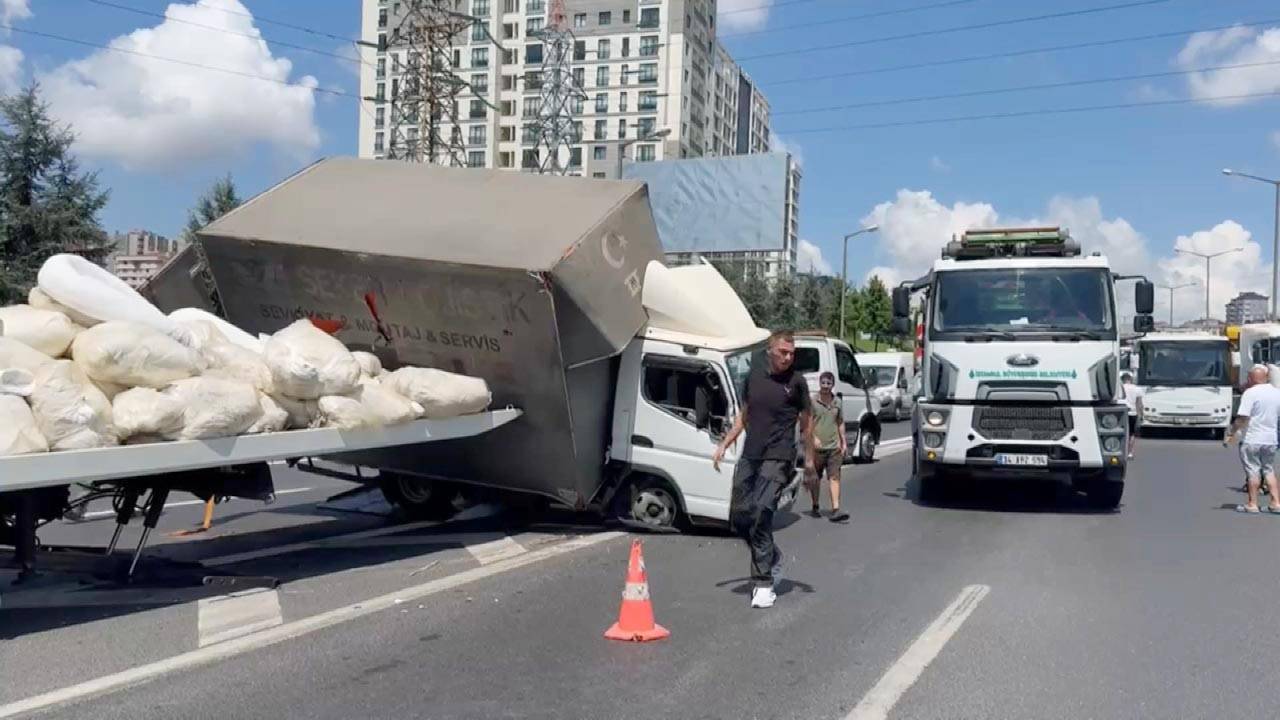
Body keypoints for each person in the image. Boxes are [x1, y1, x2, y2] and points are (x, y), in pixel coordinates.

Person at [713, 330, 812, 610]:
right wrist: (725, 443)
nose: (788, 357)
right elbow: (745, 415)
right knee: (739, 516)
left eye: (792, 353)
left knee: (760, 510)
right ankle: (773, 557)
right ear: (770, 351)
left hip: (779, 456)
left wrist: (810, 462)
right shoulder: (753, 378)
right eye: (783, 352)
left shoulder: (797, 383)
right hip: (751, 455)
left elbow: (807, 422)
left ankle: (764, 583)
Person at [1225, 364, 1280, 513]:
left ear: (1250, 378)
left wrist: (1232, 432)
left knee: (1253, 471)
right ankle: (1276, 503)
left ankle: (1252, 504)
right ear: (1267, 377)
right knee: (1269, 470)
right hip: (1270, 439)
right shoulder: (1276, 393)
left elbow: (1243, 418)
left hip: (1252, 439)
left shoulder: (1250, 393)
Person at [807, 371, 849, 522]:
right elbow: (808, 423)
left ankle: (836, 509)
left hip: (833, 446)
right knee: (815, 479)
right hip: (817, 448)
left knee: (834, 477)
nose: (825, 386)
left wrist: (843, 441)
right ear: (819, 383)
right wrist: (814, 438)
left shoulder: (837, 402)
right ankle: (815, 505)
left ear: (832, 385)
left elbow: (840, 422)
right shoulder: (813, 402)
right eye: (823, 383)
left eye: (828, 383)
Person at [1120, 372, 1143, 460]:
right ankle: (1130, 453)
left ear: (1122, 379)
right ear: (1131, 379)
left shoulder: (1120, 388)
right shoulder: (1137, 389)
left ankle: (1121, 451)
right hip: (1133, 413)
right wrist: (1141, 415)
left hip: (1122, 412)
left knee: (1122, 433)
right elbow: (1139, 404)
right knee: (1132, 434)